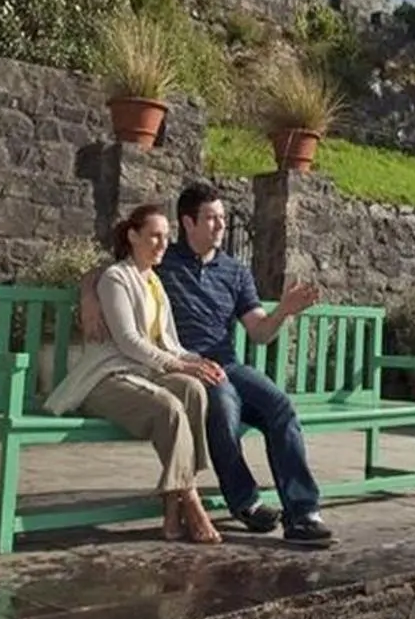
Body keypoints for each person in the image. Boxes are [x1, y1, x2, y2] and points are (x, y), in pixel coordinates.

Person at [160, 182, 333, 547]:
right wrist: (88, 291)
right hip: (189, 366)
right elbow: (108, 270)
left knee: (280, 406)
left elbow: (257, 331)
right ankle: (245, 501)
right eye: (211, 219)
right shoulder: (163, 261)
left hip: (228, 364)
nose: (220, 226)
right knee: (223, 405)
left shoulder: (235, 271)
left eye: (222, 218)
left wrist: (283, 312)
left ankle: (303, 513)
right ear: (187, 223)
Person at [46, 202, 223, 544]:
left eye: (166, 238)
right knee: (168, 407)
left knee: (193, 390)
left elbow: (169, 341)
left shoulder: (154, 282)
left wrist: (197, 362)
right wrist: (179, 365)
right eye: (154, 236)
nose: (162, 244)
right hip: (107, 378)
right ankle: (191, 500)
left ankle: (172, 503)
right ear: (132, 236)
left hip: (143, 372)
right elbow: (128, 342)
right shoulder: (116, 278)